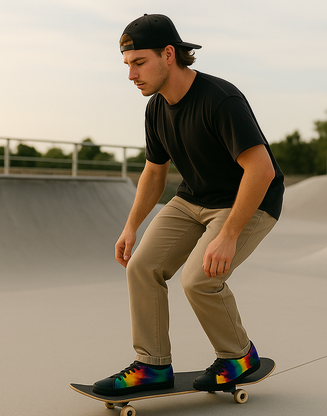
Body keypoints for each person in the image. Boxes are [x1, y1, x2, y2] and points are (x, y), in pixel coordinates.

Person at [93, 13, 284, 396]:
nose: (131, 75)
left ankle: (238, 356)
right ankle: (152, 365)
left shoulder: (220, 99)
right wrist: (131, 226)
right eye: (127, 65)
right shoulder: (156, 109)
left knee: (199, 279)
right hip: (192, 199)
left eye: (139, 63)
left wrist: (229, 235)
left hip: (248, 200)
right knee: (142, 267)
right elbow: (154, 172)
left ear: (169, 54)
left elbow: (261, 170)